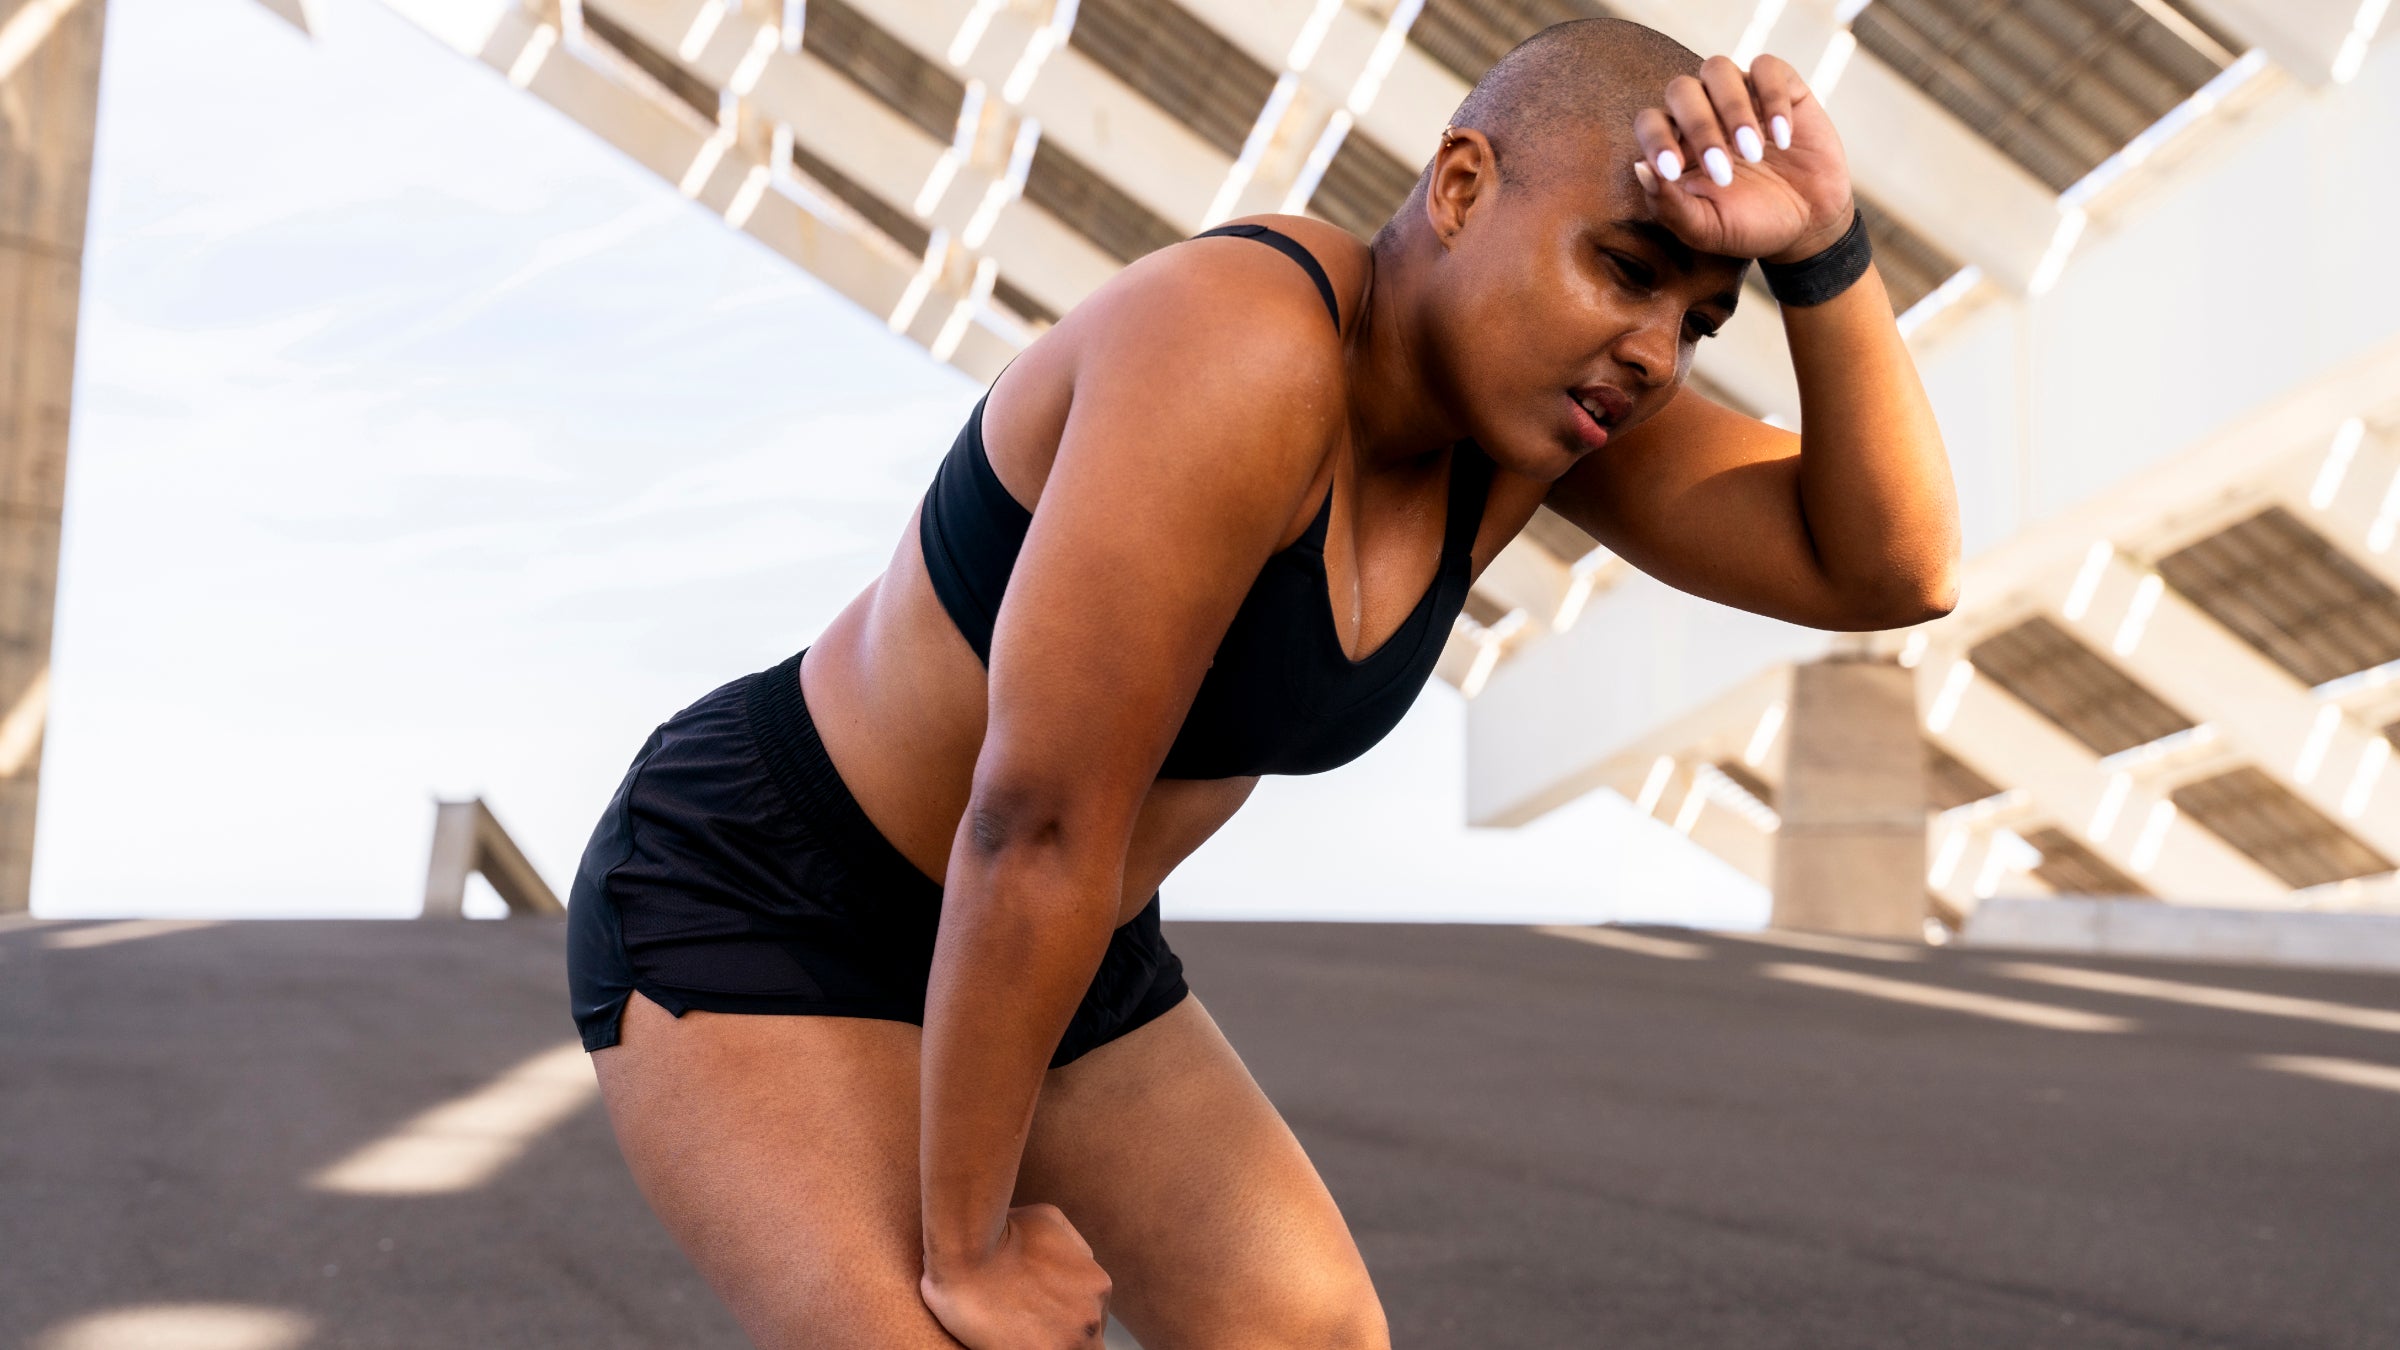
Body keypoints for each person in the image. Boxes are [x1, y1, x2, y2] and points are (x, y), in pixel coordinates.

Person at [565, 14, 1959, 1348]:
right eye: (1626, 269)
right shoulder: (1241, 339)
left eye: (1706, 317)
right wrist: (969, 1245)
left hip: (1053, 942)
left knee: (1308, 1335)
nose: (1658, 350)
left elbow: (1887, 568)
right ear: (1463, 186)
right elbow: (1032, 819)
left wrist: (1827, 252)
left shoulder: (1542, 426)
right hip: (775, 890)